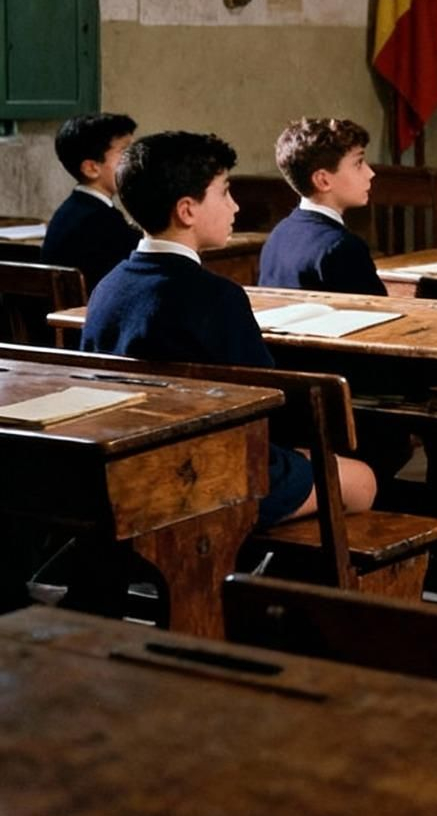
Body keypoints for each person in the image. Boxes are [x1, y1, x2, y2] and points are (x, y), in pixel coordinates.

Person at [81, 131, 375, 527]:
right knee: (363, 481)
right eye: (224, 193)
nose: (234, 206)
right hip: (214, 471)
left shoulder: (108, 286)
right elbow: (272, 405)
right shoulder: (216, 297)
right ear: (187, 210)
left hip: (131, 466)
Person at [258, 117, 386, 295]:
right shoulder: (342, 247)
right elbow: (380, 313)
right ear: (323, 180)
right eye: (358, 163)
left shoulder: (278, 235)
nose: (370, 173)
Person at [41, 112, 139, 291]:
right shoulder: (101, 220)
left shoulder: (71, 210)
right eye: (125, 152)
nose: (135, 161)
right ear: (91, 168)